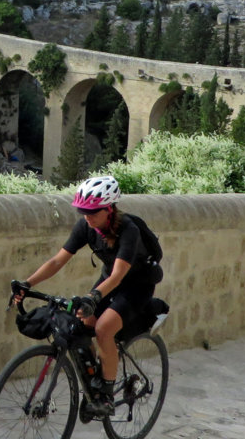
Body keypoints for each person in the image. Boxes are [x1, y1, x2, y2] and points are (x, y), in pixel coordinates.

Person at [14, 174, 157, 414]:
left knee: (103, 329)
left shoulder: (129, 230)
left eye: (92, 213)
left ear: (109, 209)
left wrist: (93, 297)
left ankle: (106, 396)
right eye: (83, 212)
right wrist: (27, 283)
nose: (86, 217)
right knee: (82, 324)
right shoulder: (86, 226)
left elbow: (118, 276)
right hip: (108, 280)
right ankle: (95, 381)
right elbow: (57, 261)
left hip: (136, 285)